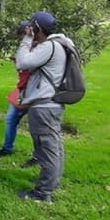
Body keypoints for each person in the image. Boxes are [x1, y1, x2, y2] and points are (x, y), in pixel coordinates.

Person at [14, 11, 71, 203]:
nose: (30, 30)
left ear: (37, 28)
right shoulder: (59, 43)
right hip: (50, 103)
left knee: (48, 147)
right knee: (53, 146)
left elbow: (22, 62)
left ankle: (43, 192)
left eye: (32, 27)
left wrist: (25, 40)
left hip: (45, 105)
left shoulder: (50, 46)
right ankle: (52, 182)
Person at [0, 21, 32, 157]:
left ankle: (39, 156)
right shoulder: (24, 48)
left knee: (36, 126)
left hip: (33, 91)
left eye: (22, 35)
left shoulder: (39, 49)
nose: (21, 39)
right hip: (21, 89)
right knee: (10, 119)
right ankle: (7, 148)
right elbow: (22, 67)